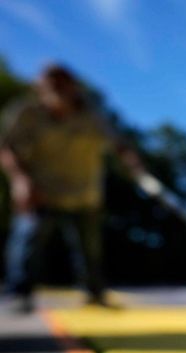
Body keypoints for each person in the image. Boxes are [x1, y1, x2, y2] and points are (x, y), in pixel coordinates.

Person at [0, 64, 142, 313]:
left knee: (90, 248)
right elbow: (7, 148)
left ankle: (94, 293)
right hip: (42, 192)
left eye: (61, 83)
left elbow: (119, 143)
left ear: (73, 87)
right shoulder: (27, 114)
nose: (55, 89)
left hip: (84, 192)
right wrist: (21, 180)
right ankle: (19, 293)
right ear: (39, 88)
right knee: (28, 239)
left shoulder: (92, 115)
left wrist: (132, 163)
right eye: (48, 85)